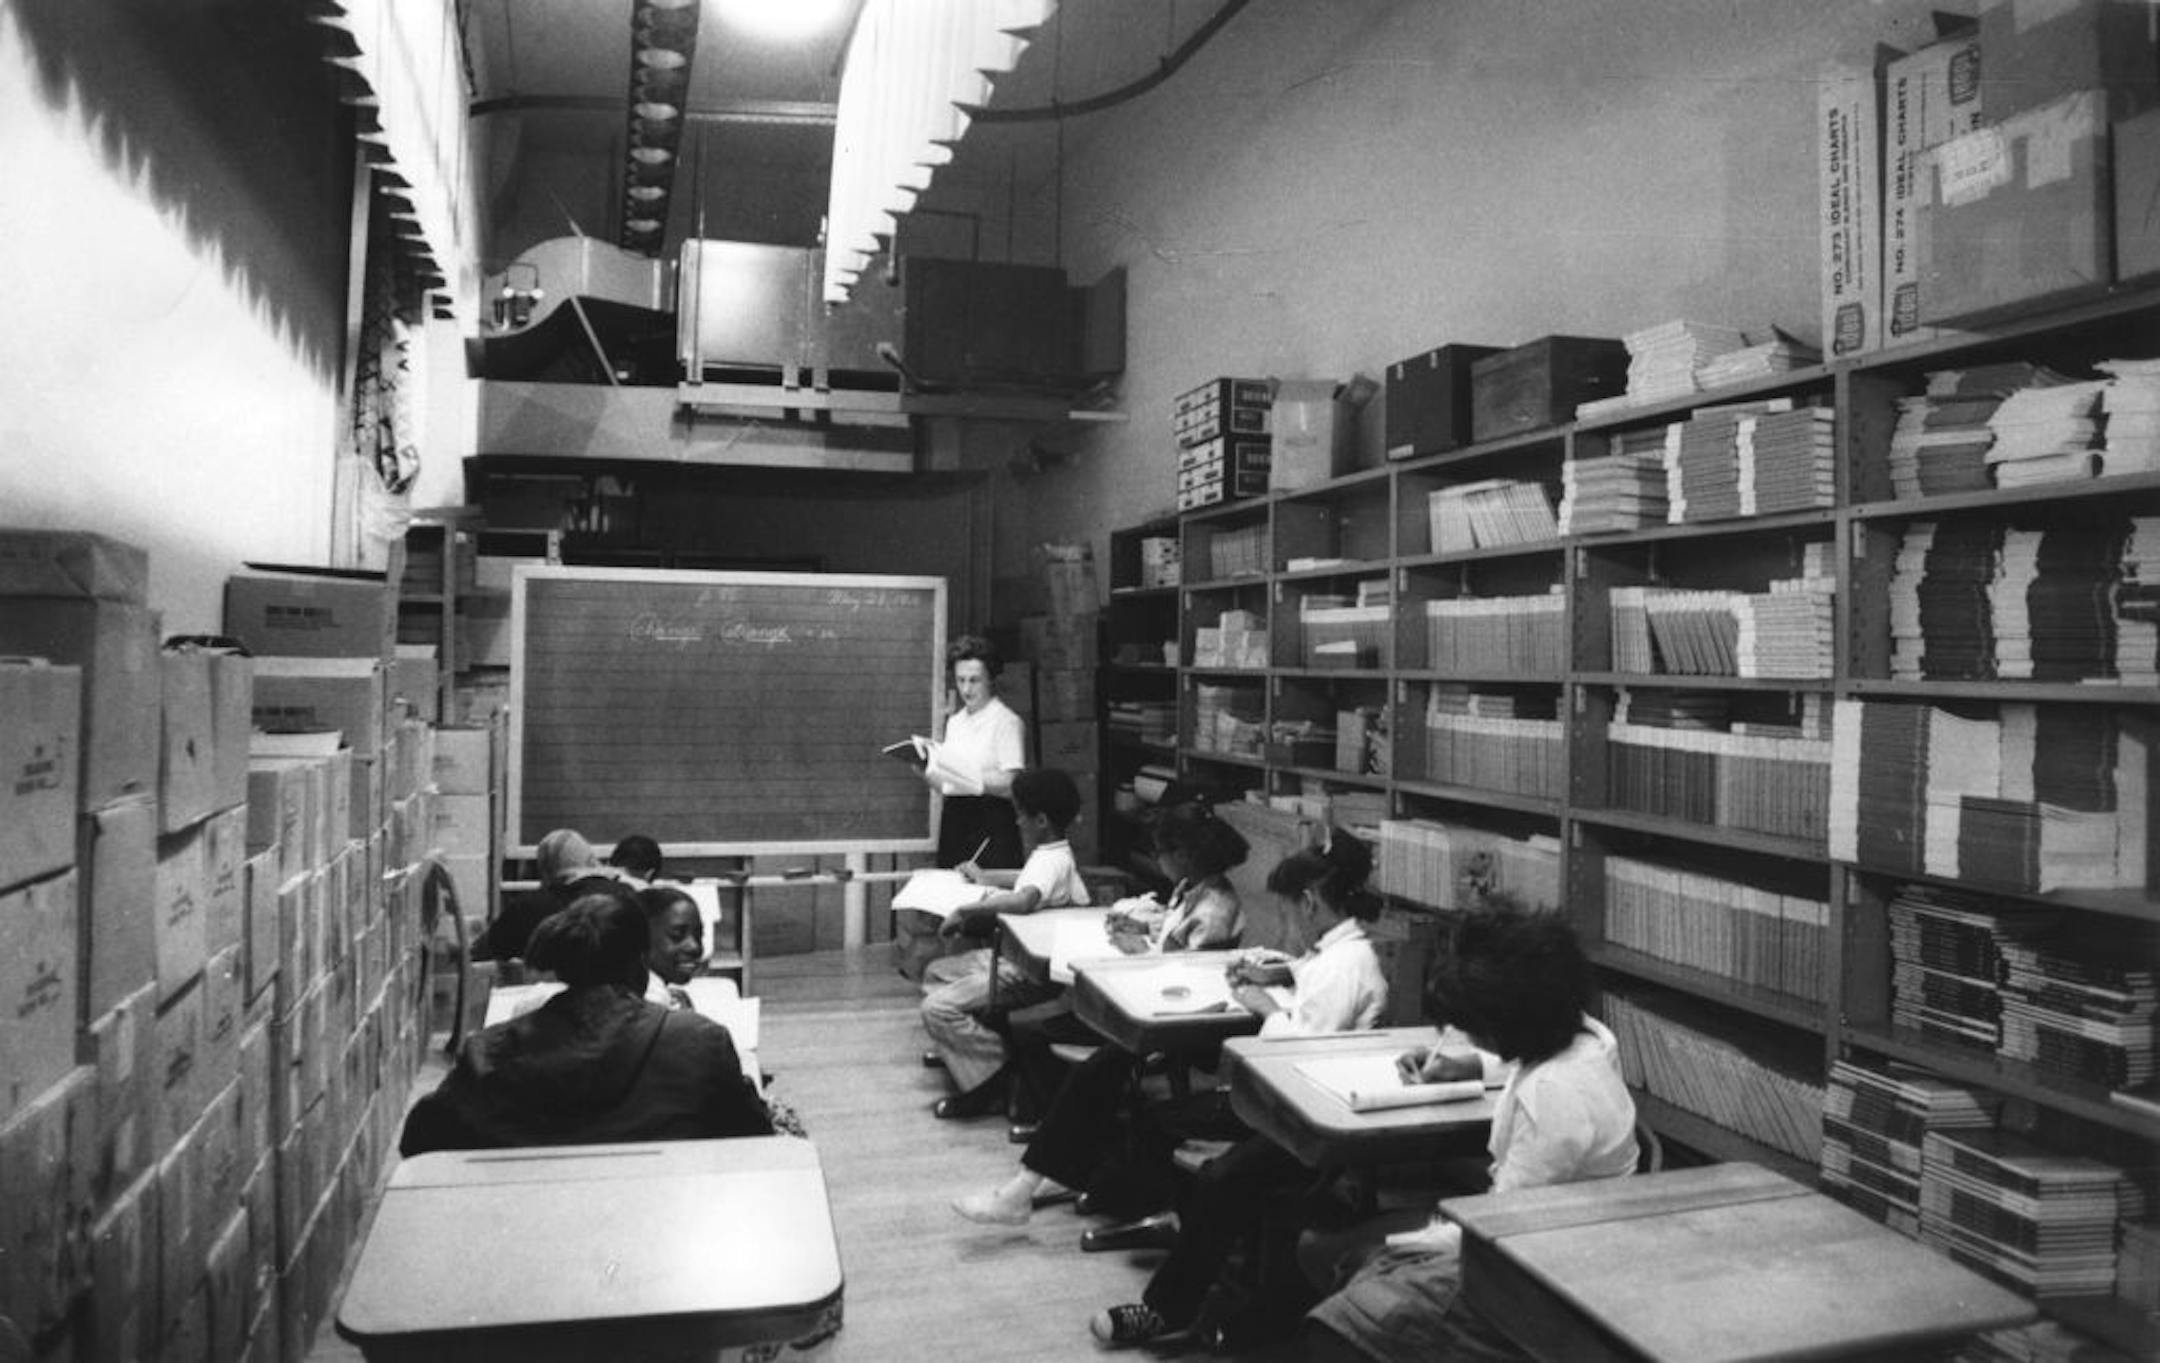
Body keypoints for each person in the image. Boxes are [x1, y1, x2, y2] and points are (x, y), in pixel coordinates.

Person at [1089, 831, 1389, 1350]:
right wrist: (1274, 975)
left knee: (1223, 1179)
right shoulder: (1336, 952)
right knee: (1165, 1120)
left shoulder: (1347, 965)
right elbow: (1308, 986)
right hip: (1287, 1101)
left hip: (1307, 1120)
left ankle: (1169, 1309)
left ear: (1309, 903)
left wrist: (1266, 1008)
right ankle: (1189, 1237)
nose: (1288, 924)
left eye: (1288, 912)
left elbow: (1301, 1052)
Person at [1301, 906, 1639, 1363]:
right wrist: (1470, 1064)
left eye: (1474, 1027)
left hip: (1539, 1277)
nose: (1467, 1035)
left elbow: (1495, 1235)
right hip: (1556, 1237)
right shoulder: (1589, 1039)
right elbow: (1530, 1064)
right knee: (1352, 1261)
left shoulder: (1554, 1102)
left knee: (1341, 1294)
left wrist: (1406, 1248)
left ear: (1511, 1023)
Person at [952, 803, 1252, 1225]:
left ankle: (1024, 1187)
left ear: (1181, 854)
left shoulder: (1215, 908)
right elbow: (1172, 953)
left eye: (1159, 852)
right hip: (1150, 1009)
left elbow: (1188, 979)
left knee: (1093, 1070)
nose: (1158, 860)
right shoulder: (1193, 889)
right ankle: (1062, 1165)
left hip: (1176, 1027)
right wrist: (1141, 937)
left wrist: (1139, 954)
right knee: (1041, 1035)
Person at [400, 893, 773, 1155]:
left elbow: (418, 1139)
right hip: (665, 1223)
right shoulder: (699, 1042)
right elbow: (755, 1135)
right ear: (640, 964)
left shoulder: (489, 1052)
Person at [919, 767, 1090, 1118]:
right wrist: (987, 877)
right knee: (936, 972)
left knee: (936, 1008)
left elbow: (1024, 899)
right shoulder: (1053, 854)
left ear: (1040, 820)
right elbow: (1028, 879)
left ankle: (991, 1075)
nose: (1016, 821)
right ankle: (970, 1049)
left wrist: (967, 911)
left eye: (1020, 814)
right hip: (1015, 958)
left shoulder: (1052, 861)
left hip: (1025, 971)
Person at [928, 634, 1028, 871]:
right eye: (961, 680)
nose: (966, 688)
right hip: (955, 821)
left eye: (974, 680)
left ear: (990, 679)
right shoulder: (955, 722)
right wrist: (925, 768)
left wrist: (966, 777)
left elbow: (1010, 783)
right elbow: (946, 786)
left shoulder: (1006, 722)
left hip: (991, 823)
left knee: (985, 900)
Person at [474, 828, 640, 963]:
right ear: (590, 859)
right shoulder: (625, 895)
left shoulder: (525, 908)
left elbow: (480, 954)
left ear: (544, 868)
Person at [637, 883, 710, 1009]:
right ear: (641, 937)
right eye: (677, 935)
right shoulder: (651, 1002)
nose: (694, 946)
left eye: (699, 935)